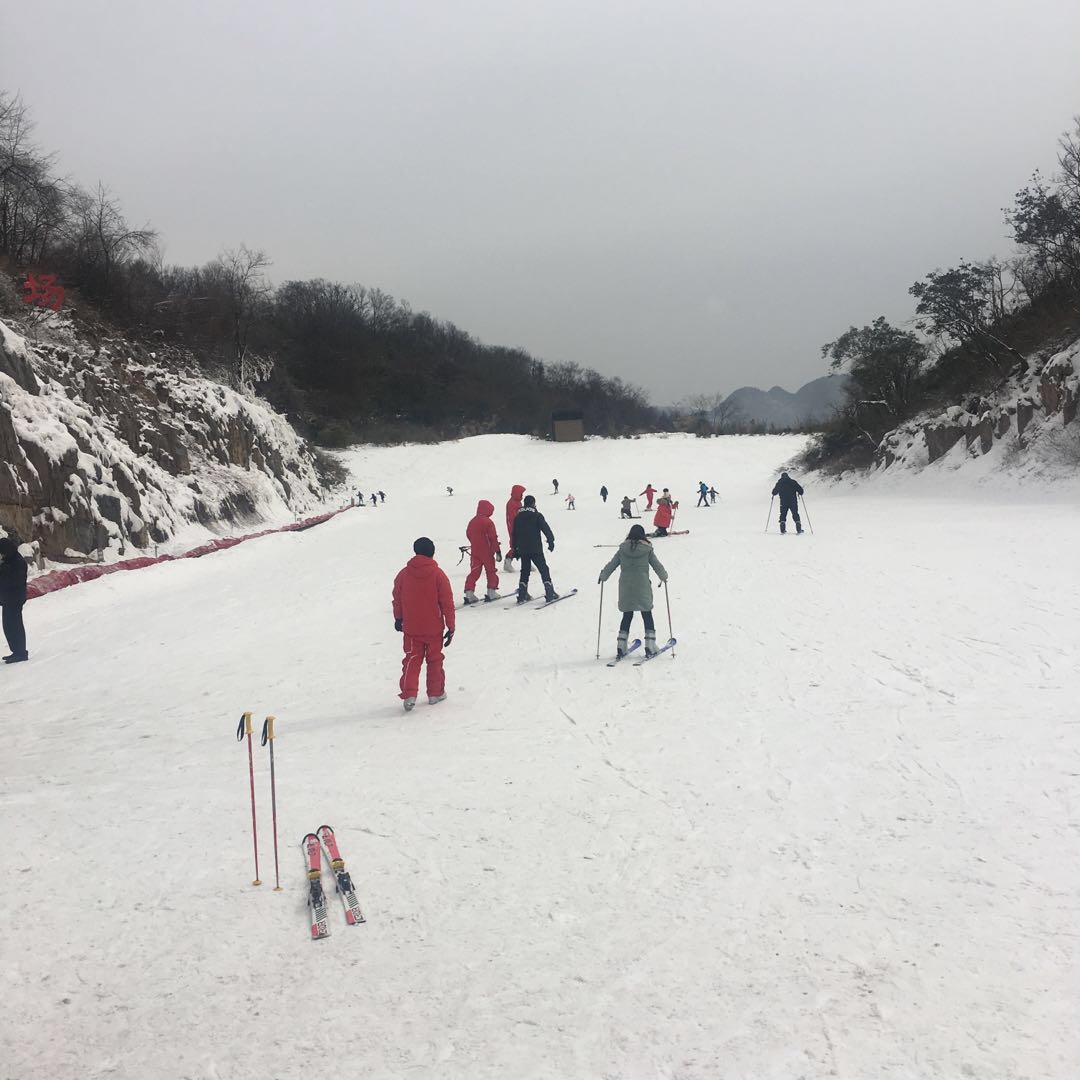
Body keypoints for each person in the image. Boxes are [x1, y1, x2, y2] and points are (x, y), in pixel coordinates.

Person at [392, 537, 455, 711]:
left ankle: (409, 693)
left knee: (412, 659)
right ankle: (435, 693)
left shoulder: (403, 574)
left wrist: (398, 618)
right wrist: (451, 626)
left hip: (411, 627)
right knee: (434, 660)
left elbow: (397, 597)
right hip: (433, 627)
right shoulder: (438, 574)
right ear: (432, 552)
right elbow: (447, 602)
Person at [598, 524, 668, 658]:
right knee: (646, 613)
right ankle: (650, 645)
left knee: (627, 614)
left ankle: (621, 645)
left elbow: (612, 564)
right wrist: (663, 576)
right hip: (642, 585)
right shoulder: (647, 549)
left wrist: (603, 576)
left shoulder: (622, 549)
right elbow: (656, 565)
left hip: (626, 586)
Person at [511, 494, 558, 603]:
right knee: (543, 569)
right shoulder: (537, 515)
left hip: (523, 549)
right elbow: (546, 528)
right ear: (533, 503)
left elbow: (514, 534)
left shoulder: (518, 517)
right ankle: (549, 592)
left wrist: (515, 549)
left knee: (525, 571)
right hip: (535, 548)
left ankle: (522, 594)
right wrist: (551, 541)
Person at [463, 499, 501, 604]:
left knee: (474, 572)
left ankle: (469, 592)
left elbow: (468, 534)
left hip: (475, 551)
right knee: (491, 571)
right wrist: (497, 551)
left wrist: (475, 542)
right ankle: (491, 591)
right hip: (487, 552)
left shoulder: (472, 521)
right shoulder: (488, 522)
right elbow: (493, 538)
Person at [0, 536, 29, 663]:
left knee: (15, 626)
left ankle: (21, 652)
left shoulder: (17, 562)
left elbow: (15, 581)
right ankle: (15, 651)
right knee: (8, 626)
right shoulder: (8, 561)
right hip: (7, 599)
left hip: (15, 599)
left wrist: (3, 571)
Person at [504, 484, 525, 571]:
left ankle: (526, 562)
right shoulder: (511, 503)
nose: (522, 495)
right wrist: (514, 530)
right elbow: (512, 518)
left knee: (524, 545)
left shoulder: (518, 502)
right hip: (515, 529)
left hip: (521, 528)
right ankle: (508, 561)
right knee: (515, 545)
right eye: (521, 493)